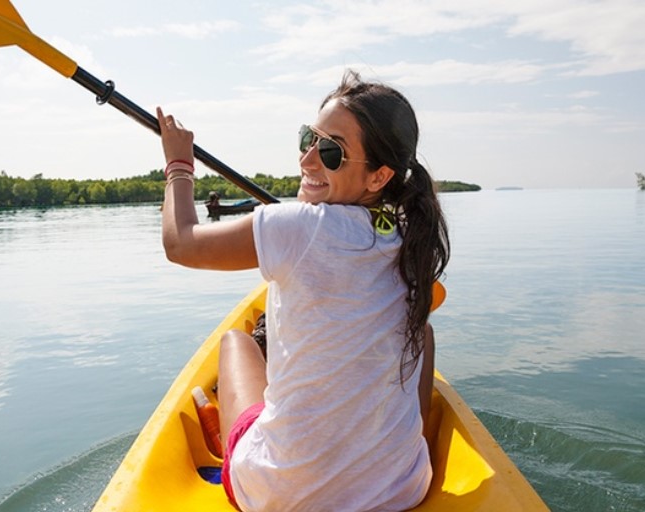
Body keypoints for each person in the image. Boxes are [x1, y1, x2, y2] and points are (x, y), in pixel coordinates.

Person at [157, 70, 449, 512]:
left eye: (331, 152)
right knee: (421, 334)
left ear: (378, 176)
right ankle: (393, 453)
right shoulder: (410, 236)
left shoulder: (295, 225)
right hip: (399, 492)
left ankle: (235, 442)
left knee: (237, 342)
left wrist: (178, 163)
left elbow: (181, 243)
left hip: (282, 496)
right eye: (307, 139)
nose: (308, 160)